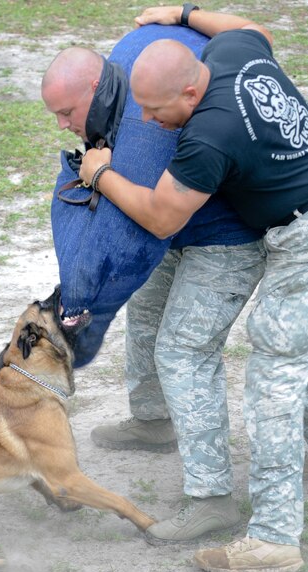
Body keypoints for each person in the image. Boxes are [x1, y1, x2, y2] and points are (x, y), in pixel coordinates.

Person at [79, 5, 308, 572]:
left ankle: (273, 539)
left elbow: (163, 217)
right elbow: (252, 29)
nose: (147, 118)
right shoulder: (232, 54)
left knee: (274, 374)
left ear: (190, 93)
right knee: (306, 343)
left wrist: (101, 174)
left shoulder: (207, 137)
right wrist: (184, 11)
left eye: (156, 110)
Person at [41, 26, 267, 543]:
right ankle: (152, 421)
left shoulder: (144, 132)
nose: (62, 125)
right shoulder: (128, 79)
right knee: (145, 313)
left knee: (182, 351)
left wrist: (99, 176)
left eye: (67, 113)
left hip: (224, 239)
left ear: (95, 89)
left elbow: (154, 221)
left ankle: (213, 500)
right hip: (176, 229)